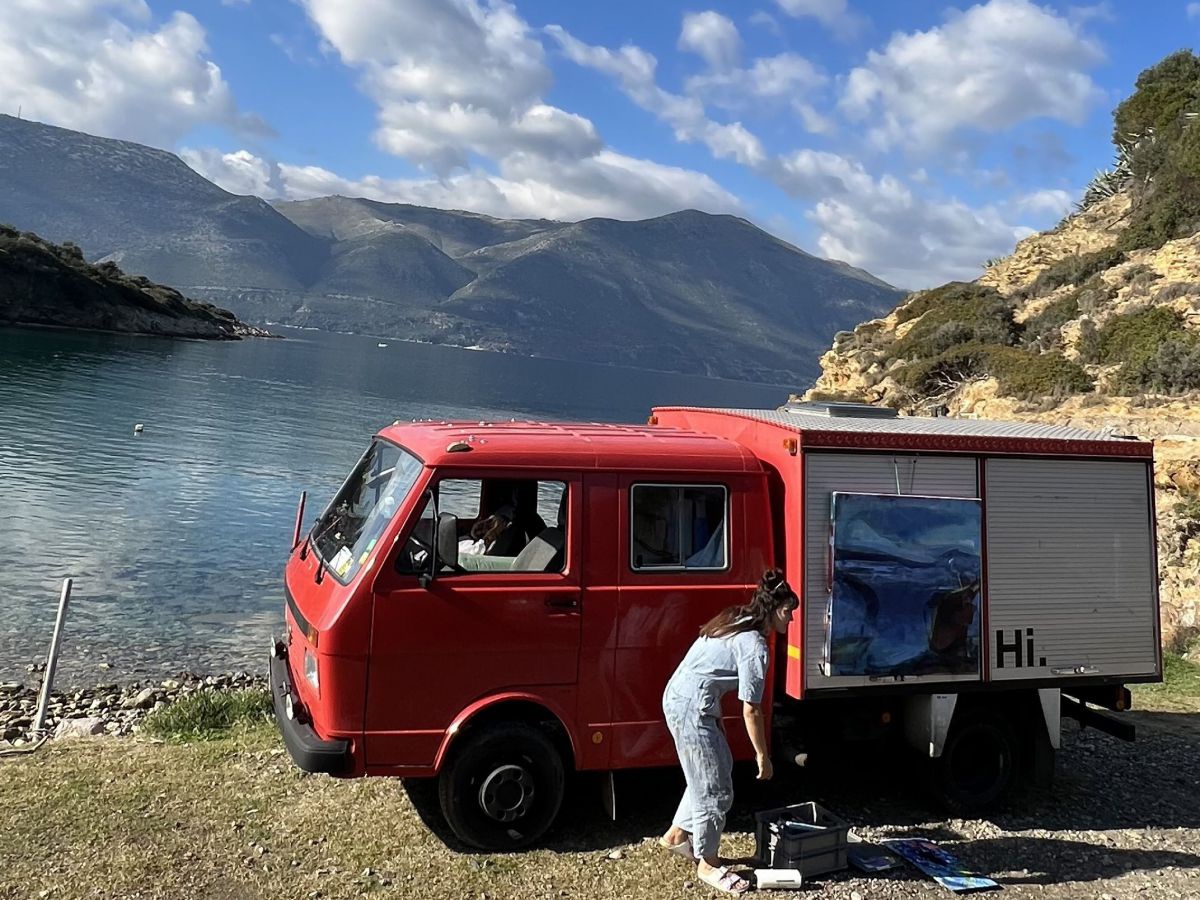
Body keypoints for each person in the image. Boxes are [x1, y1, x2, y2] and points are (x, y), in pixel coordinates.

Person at [658, 569, 800, 895]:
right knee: (715, 788)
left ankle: (676, 835)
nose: (791, 619)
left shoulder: (737, 618)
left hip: (683, 698)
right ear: (773, 609)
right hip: (691, 708)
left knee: (714, 770)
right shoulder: (755, 646)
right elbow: (751, 710)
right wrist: (763, 756)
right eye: (787, 611)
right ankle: (708, 863)